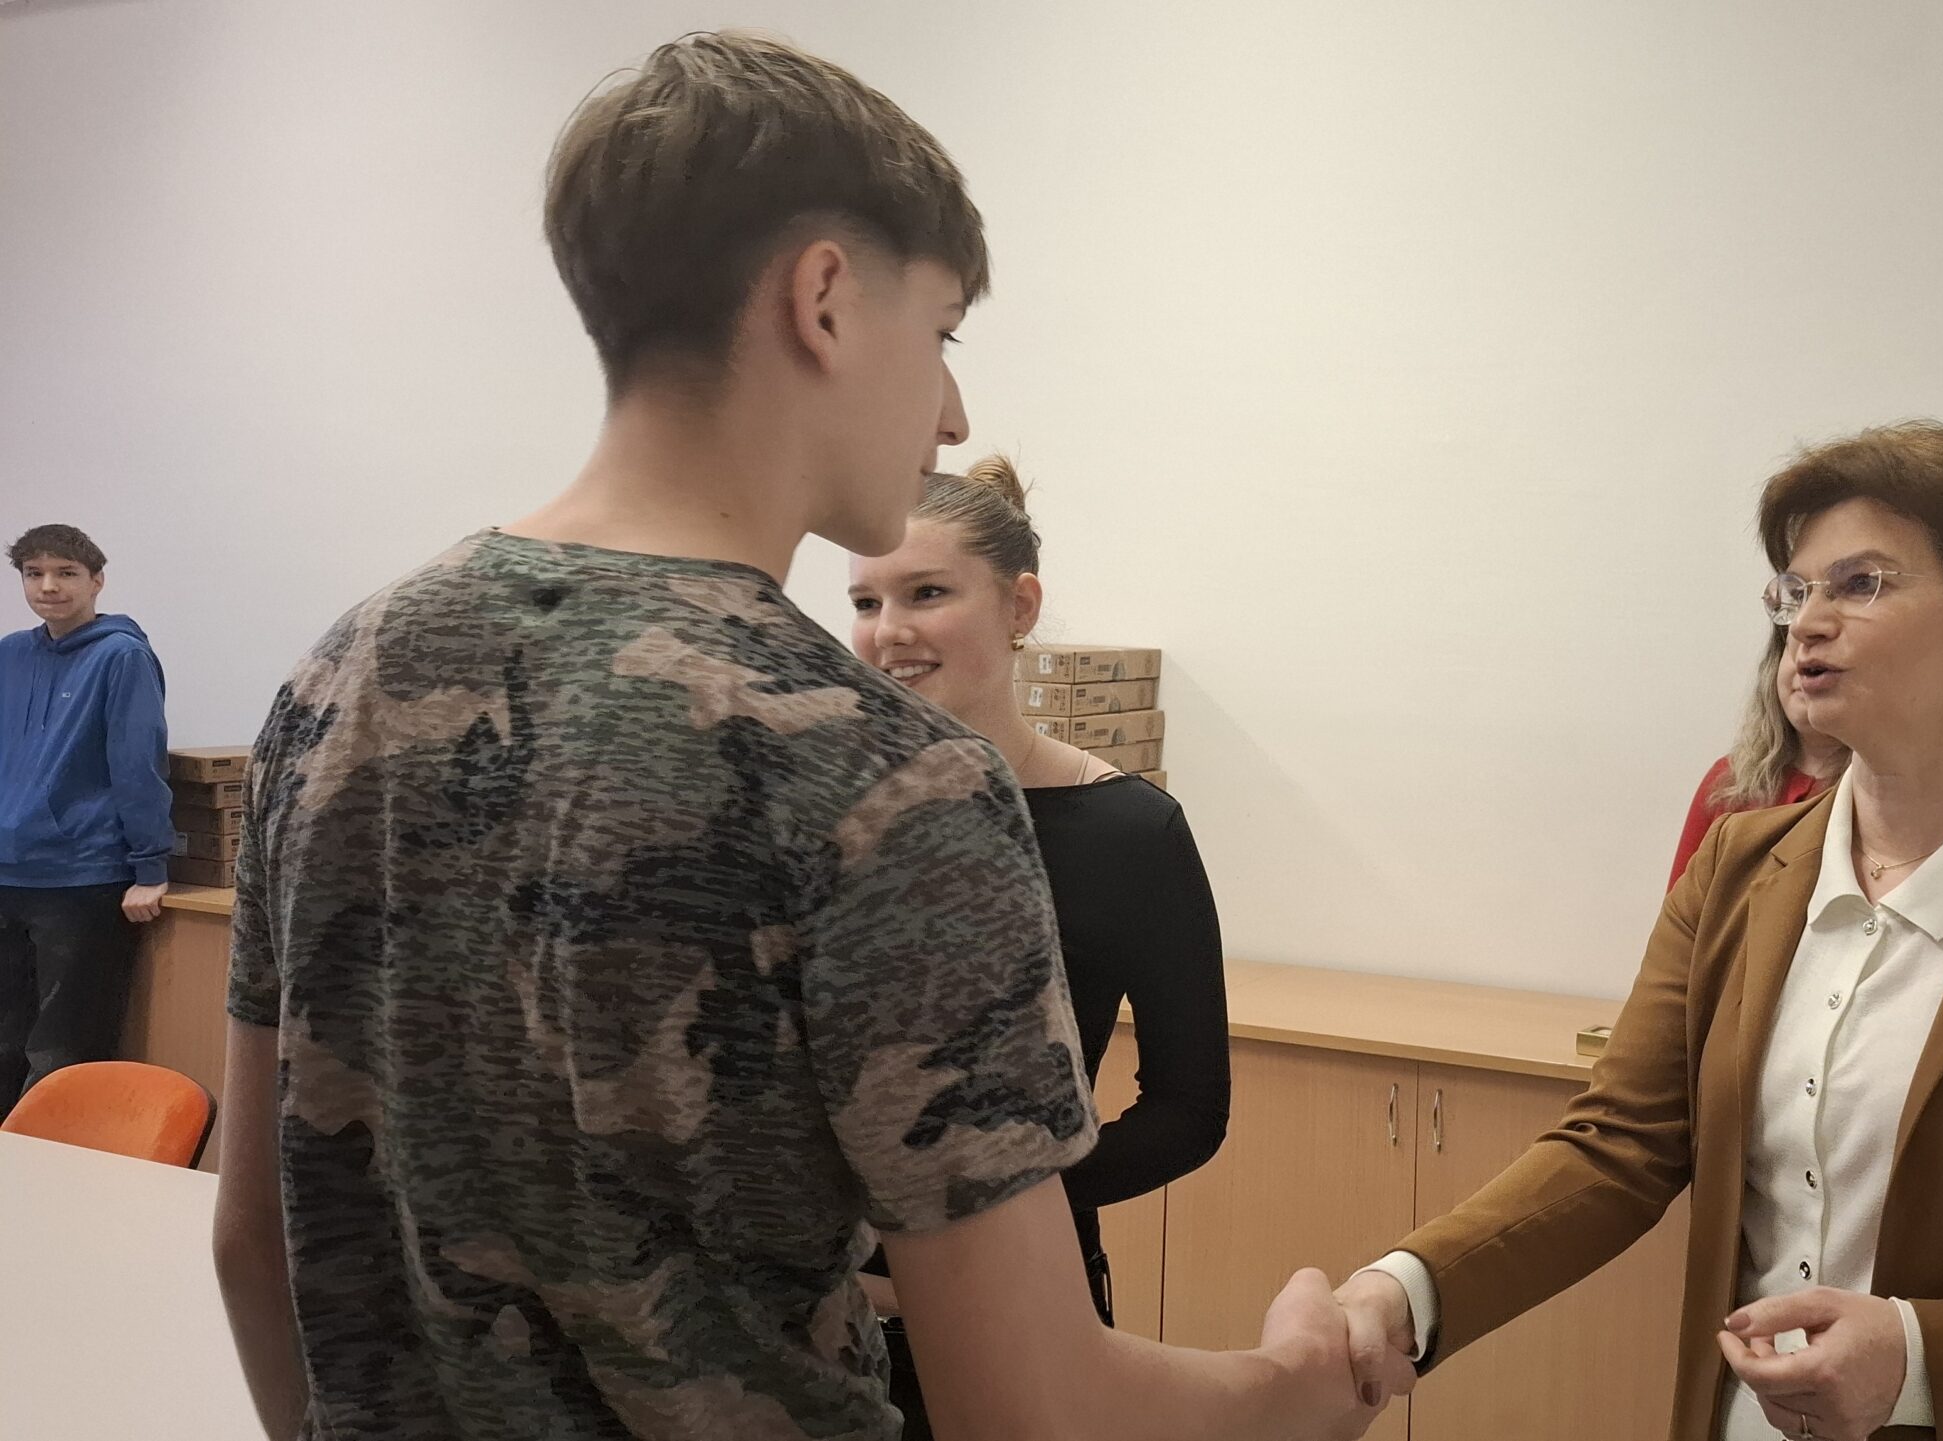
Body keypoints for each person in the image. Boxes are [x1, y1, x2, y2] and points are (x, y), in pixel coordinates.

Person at [209, 32, 1387, 1441]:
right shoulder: (882, 777)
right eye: (942, 334)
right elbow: (1037, 1409)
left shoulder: (337, 679)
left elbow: (256, 1244)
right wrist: (1292, 1388)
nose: (952, 409)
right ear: (823, 299)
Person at [1333, 421, 1943, 1441]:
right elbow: (1617, 1147)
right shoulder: (1737, 868)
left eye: (1861, 583)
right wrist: (1406, 1288)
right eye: (1795, 590)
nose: (1807, 623)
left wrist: (1919, 1359)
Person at [846, 455, 1231, 1438]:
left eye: (926, 593)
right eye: (865, 600)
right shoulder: (825, 814)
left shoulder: (1129, 832)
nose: (888, 630)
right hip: (823, 1318)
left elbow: (1187, 1109)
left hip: (1025, 1304)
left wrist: (988, 1219)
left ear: (1020, 606)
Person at [0, 523, 172, 1103]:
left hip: (81, 877)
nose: (48, 586)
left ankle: (56, 1158)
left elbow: (136, 761)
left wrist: (150, 865)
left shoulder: (122, 656)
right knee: (4, 1042)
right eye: (34, 573)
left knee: (62, 1049)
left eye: (66, 573)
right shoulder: (10, 653)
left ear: (96, 581)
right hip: (7, 872)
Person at [1669, 633, 1847, 887]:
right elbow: (1679, 907)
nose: (1807, 666)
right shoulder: (1727, 781)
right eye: (1794, 645)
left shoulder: (1884, 799)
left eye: (1827, 651)